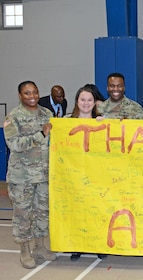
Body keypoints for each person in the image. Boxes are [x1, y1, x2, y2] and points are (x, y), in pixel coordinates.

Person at [3, 81, 57, 269]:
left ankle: (40, 247)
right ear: (20, 95)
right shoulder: (13, 117)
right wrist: (40, 135)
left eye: (34, 92)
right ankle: (25, 250)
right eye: (27, 93)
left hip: (43, 175)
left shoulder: (47, 114)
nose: (32, 96)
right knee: (23, 215)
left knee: (42, 213)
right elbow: (14, 144)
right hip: (22, 177)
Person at [65, 85, 107, 261]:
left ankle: (98, 245)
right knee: (77, 211)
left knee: (97, 210)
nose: (86, 103)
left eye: (90, 100)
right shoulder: (66, 121)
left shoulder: (102, 121)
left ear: (95, 102)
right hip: (73, 175)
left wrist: (104, 124)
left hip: (96, 175)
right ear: (77, 101)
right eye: (82, 99)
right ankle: (77, 246)